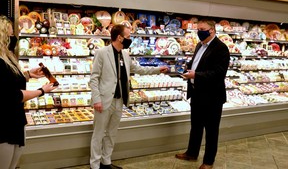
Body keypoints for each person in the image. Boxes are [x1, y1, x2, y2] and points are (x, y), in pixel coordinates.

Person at [89, 24, 168, 169]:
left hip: (120, 100)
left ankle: (106, 162)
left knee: (112, 133)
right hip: (104, 100)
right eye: (128, 37)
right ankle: (94, 165)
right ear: (119, 37)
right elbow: (94, 79)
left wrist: (157, 70)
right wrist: (96, 99)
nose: (130, 39)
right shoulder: (101, 53)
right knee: (98, 134)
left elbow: (138, 69)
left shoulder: (125, 54)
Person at [0, 15, 57, 169]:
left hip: (17, 120)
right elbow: (13, 95)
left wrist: (28, 74)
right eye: (11, 34)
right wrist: (41, 91)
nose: (14, 37)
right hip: (4, 124)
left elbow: (10, 80)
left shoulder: (8, 57)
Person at [175, 19, 230, 169]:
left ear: (212, 30)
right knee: (196, 126)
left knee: (211, 130)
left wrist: (196, 75)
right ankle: (192, 153)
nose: (199, 31)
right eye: (198, 29)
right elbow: (197, 64)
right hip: (197, 93)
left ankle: (208, 161)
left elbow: (218, 74)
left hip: (212, 97)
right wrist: (186, 68)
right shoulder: (200, 45)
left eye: (202, 29)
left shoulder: (221, 48)